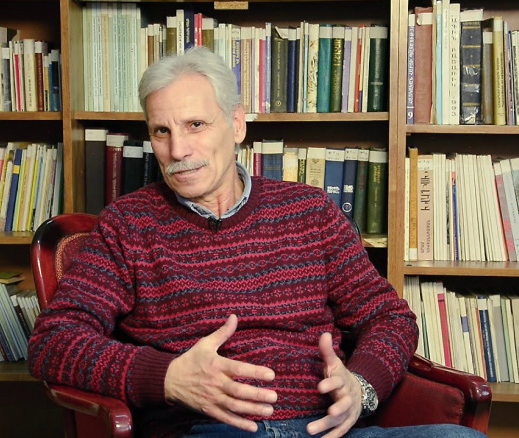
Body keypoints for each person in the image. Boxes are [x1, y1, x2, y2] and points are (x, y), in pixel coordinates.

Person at [28, 47, 486, 438]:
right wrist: (166, 376)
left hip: (327, 428)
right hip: (210, 429)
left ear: (236, 124)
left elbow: (389, 317)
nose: (178, 150)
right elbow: (53, 342)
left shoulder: (309, 211)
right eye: (161, 131)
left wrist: (361, 386)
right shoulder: (127, 225)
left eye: (195, 124)